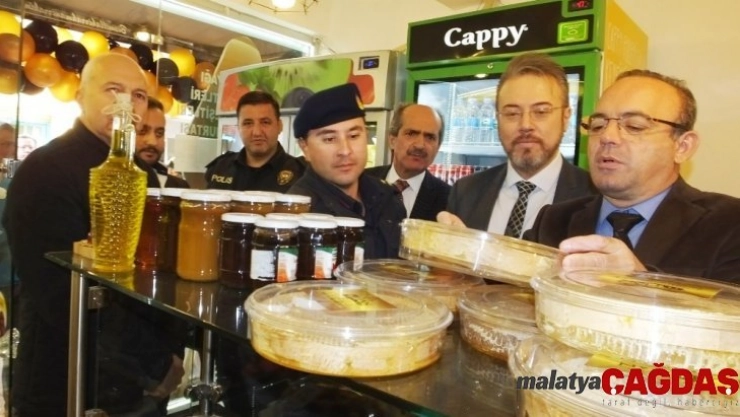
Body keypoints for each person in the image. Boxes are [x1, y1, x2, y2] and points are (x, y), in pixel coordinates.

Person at [2, 53, 182, 417]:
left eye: (138, 95)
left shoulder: (141, 172)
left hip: (134, 385)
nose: (126, 103)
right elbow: (60, 296)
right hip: (65, 381)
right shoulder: (46, 171)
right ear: (80, 96)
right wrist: (155, 362)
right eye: (113, 89)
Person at [523, 69, 740, 282]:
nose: (607, 137)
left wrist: (641, 283)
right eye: (598, 126)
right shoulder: (553, 220)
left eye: (634, 126)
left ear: (682, 147)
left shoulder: (729, 224)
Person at [442, 52, 594, 236]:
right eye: (512, 113)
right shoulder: (466, 192)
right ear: (497, 118)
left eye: (541, 112)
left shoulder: (595, 197)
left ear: (566, 117)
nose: (525, 125)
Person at [288, 83, 406, 259]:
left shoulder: (386, 196)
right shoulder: (298, 216)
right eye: (329, 139)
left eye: (353, 136)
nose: (345, 150)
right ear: (305, 147)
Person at [205, 91, 305, 192]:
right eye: (248, 123)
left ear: (279, 126)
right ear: (239, 127)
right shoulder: (220, 168)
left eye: (265, 122)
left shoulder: (301, 174)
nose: (257, 132)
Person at [365, 103, 450, 221]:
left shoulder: (448, 199)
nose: (420, 145)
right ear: (392, 140)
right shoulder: (361, 182)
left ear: (438, 147)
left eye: (430, 137)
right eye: (411, 134)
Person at [136, 97, 190, 188]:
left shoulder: (178, 188)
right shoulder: (111, 182)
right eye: (142, 131)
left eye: (159, 133)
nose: (152, 142)